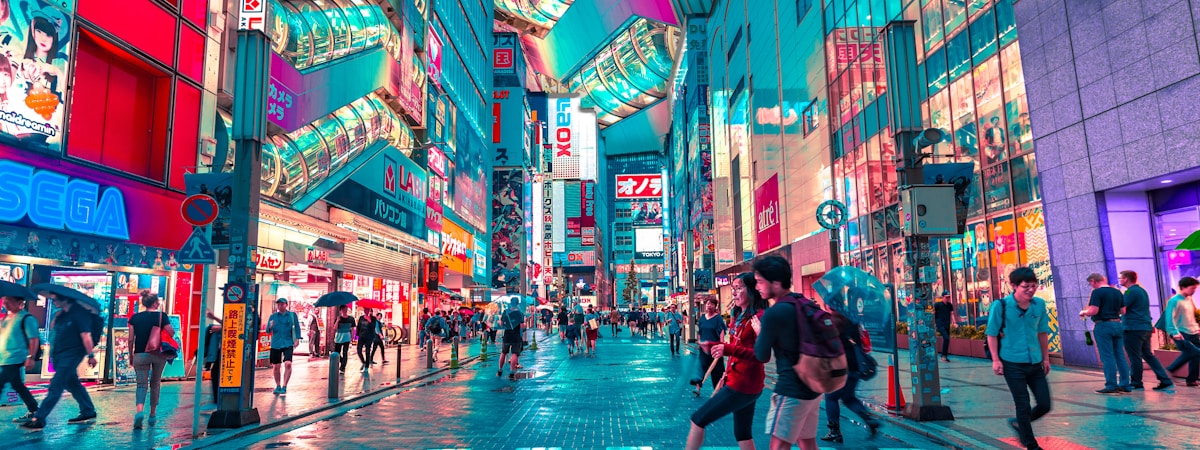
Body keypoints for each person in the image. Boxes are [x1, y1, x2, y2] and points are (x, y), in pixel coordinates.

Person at [686, 273, 767, 450]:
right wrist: (713, 344)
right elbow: (735, 344)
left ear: (752, 290)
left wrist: (726, 349)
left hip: (743, 384)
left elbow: (763, 355)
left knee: (698, 420)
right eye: (733, 289)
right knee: (743, 433)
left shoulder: (758, 317)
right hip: (741, 381)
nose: (735, 293)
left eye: (739, 288)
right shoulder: (739, 315)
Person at [751, 255, 822, 450]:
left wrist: (760, 332)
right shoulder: (802, 302)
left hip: (792, 388)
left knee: (779, 446)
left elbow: (761, 355)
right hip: (815, 386)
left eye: (760, 282)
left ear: (775, 282)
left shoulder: (774, 313)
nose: (757, 287)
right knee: (807, 443)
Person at [987, 267, 1052, 450]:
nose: (1031, 290)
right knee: (1022, 404)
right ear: (1013, 286)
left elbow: (1042, 333)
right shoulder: (1001, 306)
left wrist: (1046, 359)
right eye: (1026, 287)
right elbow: (991, 334)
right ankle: (1032, 445)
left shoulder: (1039, 305)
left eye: (1033, 286)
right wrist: (995, 360)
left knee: (1045, 404)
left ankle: (1019, 424)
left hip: (1034, 361)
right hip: (1011, 362)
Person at [21, 294, 99, 430]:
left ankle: (39, 418)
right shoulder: (61, 315)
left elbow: (86, 336)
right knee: (73, 383)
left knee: (56, 385)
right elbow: (54, 332)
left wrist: (90, 355)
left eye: (56, 299)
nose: (53, 301)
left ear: (65, 299)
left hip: (72, 354)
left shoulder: (79, 314)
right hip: (60, 355)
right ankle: (88, 410)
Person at [820, 307, 880, 443]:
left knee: (830, 397)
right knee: (848, 397)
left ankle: (834, 431)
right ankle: (867, 417)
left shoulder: (832, 322)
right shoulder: (853, 321)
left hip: (839, 366)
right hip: (855, 366)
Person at [1119, 270, 1173, 390]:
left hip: (1133, 328)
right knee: (1147, 355)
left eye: (1121, 278)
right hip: (1145, 327)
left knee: (1135, 356)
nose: (1120, 280)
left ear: (1126, 279)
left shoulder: (1129, 292)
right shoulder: (1142, 291)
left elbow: (1122, 308)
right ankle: (1165, 379)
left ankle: (1136, 382)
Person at [127, 292, 174, 428]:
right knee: (155, 382)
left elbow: (130, 339)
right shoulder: (162, 316)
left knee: (141, 384)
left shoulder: (135, 318)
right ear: (155, 303)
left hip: (140, 354)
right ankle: (152, 415)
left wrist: (131, 355)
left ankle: (139, 411)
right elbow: (170, 332)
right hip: (158, 353)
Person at [1080, 273, 1130, 394]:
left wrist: (1084, 312)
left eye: (1090, 283)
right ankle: (1125, 384)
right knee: (1120, 355)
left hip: (1103, 325)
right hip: (1118, 324)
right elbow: (1123, 311)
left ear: (1093, 281)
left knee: (1107, 356)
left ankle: (1111, 385)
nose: (1091, 286)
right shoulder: (1117, 292)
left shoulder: (1097, 292)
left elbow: (1094, 310)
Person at [1, 293, 40, 424]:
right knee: (17, 385)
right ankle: (34, 410)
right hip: (4, 358)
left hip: (15, 358)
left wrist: (31, 357)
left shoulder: (26, 318)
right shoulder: (6, 318)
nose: (5, 302)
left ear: (19, 302)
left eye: (8, 300)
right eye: (4, 299)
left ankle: (35, 411)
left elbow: (33, 339)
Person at [1165, 277, 1200, 387]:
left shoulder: (1189, 300)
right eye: (1192, 288)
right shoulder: (1174, 300)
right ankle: (1169, 370)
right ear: (1183, 287)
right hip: (1181, 333)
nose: (1194, 291)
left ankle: (1191, 380)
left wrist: (1197, 328)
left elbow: (1190, 316)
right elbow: (1169, 317)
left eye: (1195, 288)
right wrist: (1174, 332)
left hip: (1192, 332)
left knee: (1196, 355)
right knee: (1194, 352)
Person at [266, 299, 300, 393]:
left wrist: (297, 339)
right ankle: (278, 385)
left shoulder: (292, 315)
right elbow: (267, 331)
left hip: (288, 342)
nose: (280, 306)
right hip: (276, 343)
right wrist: (270, 326)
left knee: (288, 364)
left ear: (286, 305)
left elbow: (297, 327)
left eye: (282, 304)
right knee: (276, 366)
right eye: (278, 304)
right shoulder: (273, 316)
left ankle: (285, 385)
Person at [691, 297, 727, 388]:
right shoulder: (702, 318)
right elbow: (700, 331)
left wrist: (721, 344)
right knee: (701, 368)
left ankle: (718, 390)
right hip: (704, 348)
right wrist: (699, 342)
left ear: (715, 306)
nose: (709, 306)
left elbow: (722, 331)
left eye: (712, 304)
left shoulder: (718, 318)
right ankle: (698, 388)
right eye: (708, 304)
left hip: (715, 348)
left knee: (717, 371)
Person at [498, 303, 524, 380]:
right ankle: (512, 372)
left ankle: (500, 370)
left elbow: (502, 324)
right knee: (514, 354)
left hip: (507, 335)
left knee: (503, 352)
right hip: (516, 336)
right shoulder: (519, 313)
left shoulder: (506, 312)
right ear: (517, 304)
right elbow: (522, 326)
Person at [333, 306, 355, 374]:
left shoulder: (351, 318)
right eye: (343, 309)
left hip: (347, 337)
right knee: (337, 353)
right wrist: (337, 321)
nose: (344, 310)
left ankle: (342, 368)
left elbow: (352, 328)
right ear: (340, 310)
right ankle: (342, 361)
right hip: (338, 338)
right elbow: (334, 328)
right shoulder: (338, 318)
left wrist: (352, 337)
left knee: (345, 352)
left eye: (346, 309)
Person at [356, 309, 378, 373]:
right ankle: (364, 362)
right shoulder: (361, 318)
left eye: (368, 310)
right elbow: (358, 327)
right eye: (365, 309)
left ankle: (366, 366)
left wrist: (369, 320)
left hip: (369, 337)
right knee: (359, 350)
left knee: (367, 351)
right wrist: (357, 335)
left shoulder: (373, 318)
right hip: (361, 336)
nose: (366, 311)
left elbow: (373, 327)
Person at [934, 293, 954, 362]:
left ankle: (944, 356)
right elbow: (933, 312)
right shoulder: (938, 305)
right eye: (946, 297)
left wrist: (954, 322)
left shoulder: (949, 305)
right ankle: (943, 356)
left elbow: (952, 314)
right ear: (943, 297)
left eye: (949, 297)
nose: (948, 298)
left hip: (947, 324)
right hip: (940, 324)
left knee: (947, 339)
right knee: (946, 338)